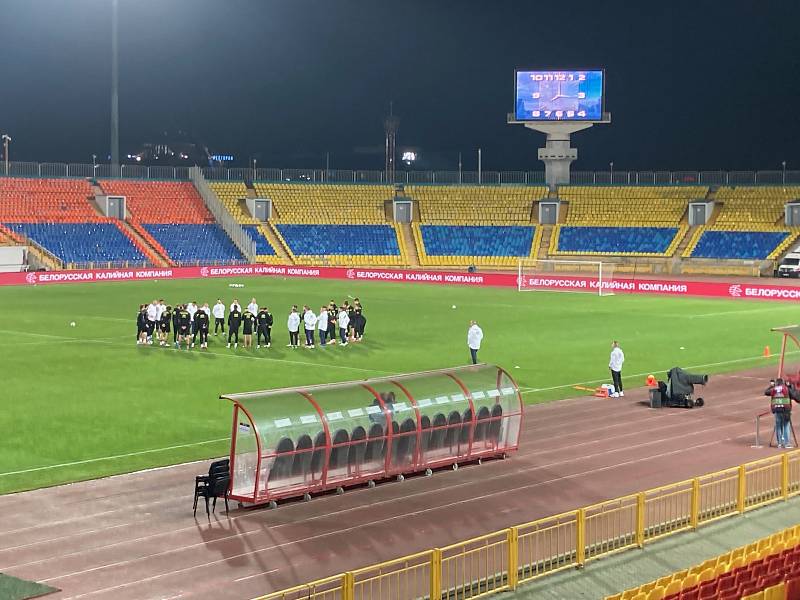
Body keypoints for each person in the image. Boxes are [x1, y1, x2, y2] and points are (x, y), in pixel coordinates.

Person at [765, 378, 800, 448]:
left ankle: (780, 443)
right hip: (785, 410)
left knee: (778, 426)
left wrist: (772, 386)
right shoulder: (786, 388)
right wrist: (790, 387)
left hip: (777, 410)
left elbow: (766, 392)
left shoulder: (774, 389)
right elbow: (796, 396)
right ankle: (787, 443)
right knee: (786, 425)